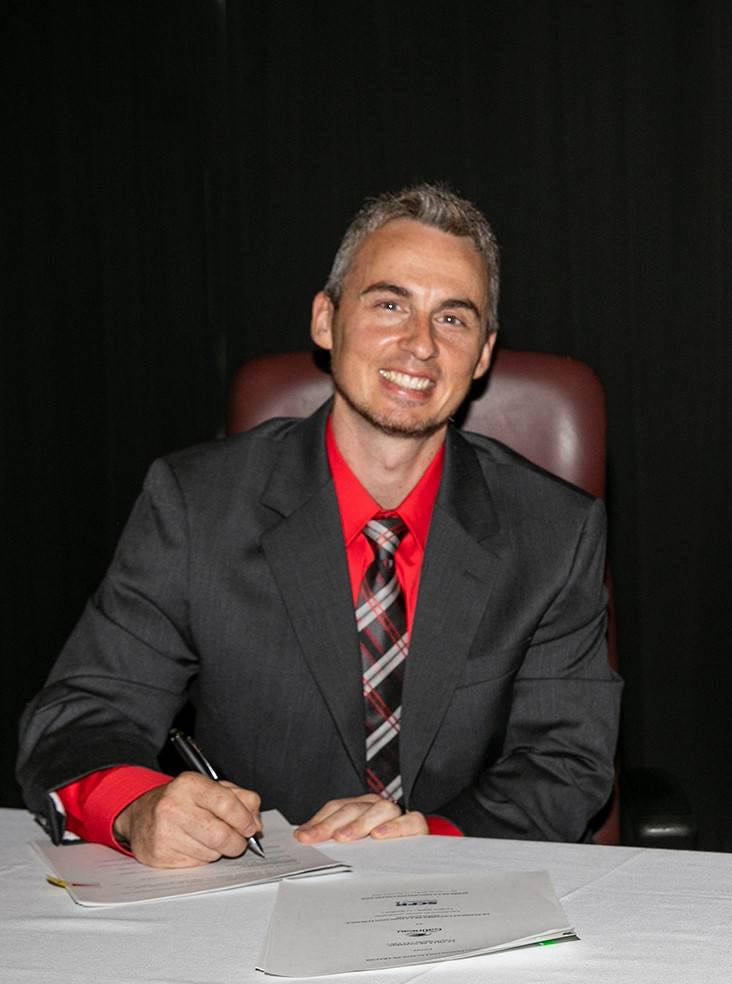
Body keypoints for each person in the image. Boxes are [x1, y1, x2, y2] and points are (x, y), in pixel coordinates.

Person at [17, 183, 622, 867]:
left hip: (460, 892)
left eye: (453, 319)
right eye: (390, 304)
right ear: (325, 320)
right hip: (250, 890)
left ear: (482, 354)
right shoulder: (196, 505)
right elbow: (80, 716)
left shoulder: (555, 531)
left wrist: (433, 837)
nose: (420, 344)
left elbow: (566, 762)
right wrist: (138, 808)